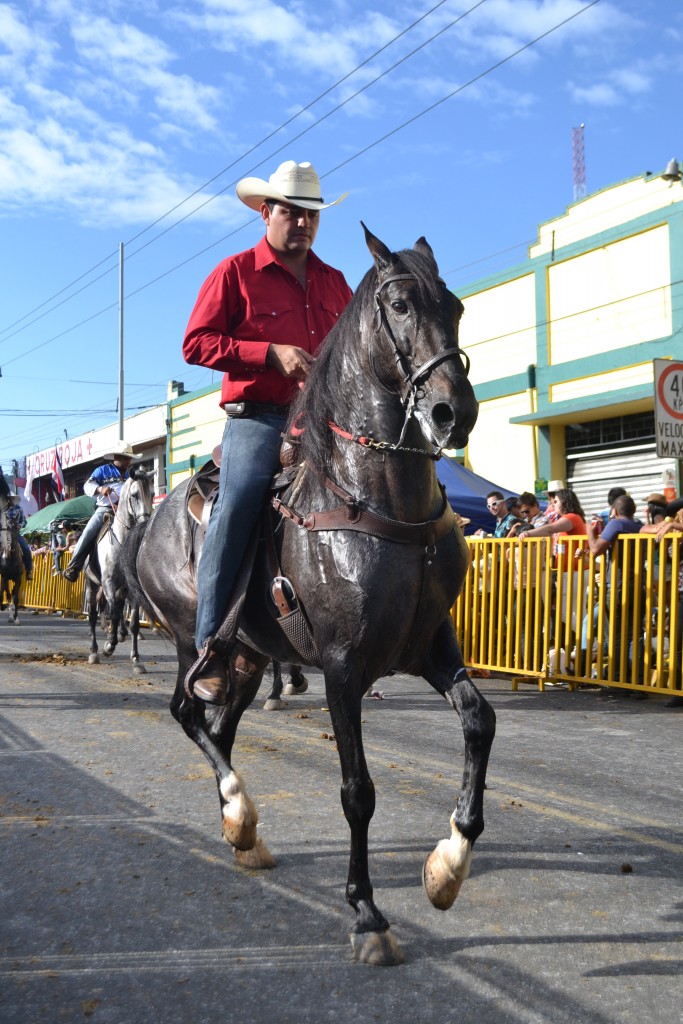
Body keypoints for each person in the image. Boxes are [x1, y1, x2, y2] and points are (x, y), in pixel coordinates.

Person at [182, 160, 352, 704]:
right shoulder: (234, 272)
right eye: (292, 213)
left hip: (321, 419)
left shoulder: (334, 282)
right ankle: (210, 644)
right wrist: (269, 355)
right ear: (266, 212)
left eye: (312, 215)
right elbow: (196, 343)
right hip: (258, 418)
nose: (302, 223)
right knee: (236, 505)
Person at [62, 441, 143, 582]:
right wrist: (100, 489)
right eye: (125, 457)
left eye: (129, 458)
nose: (128, 461)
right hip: (105, 509)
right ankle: (74, 566)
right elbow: (88, 485)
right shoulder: (102, 470)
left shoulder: (132, 474)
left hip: (129, 510)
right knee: (88, 532)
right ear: (116, 457)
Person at [586, 494, 643, 689]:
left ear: (615, 511)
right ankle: (637, 681)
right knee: (634, 636)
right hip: (638, 585)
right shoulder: (639, 525)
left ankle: (618, 680)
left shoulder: (616, 525)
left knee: (617, 636)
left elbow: (595, 550)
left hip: (618, 588)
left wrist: (590, 530)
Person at [6, 495, 33, 581]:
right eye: (8, 498)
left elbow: (24, 522)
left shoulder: (19, 508)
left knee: (26, 549)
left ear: (13, 499)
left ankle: (29, 571)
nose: (9, 499)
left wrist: (19, 525)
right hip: (4, 533)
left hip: (15, 533)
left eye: (11, 498)